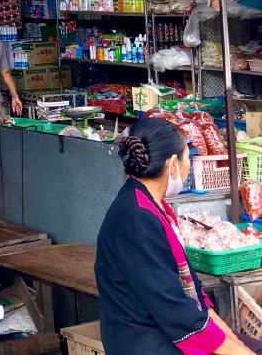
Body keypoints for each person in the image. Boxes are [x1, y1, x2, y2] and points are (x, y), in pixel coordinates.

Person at [96, 117, 252, 354]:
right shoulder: (136, 218)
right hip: (141, 341)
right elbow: (175, 309)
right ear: (171, 164)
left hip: (161, 327)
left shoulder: (151, 205)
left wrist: (237, 344)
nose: (188, 166)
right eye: (188, 159)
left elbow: (194, 295)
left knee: (252, 346)